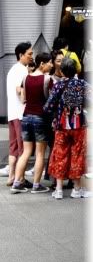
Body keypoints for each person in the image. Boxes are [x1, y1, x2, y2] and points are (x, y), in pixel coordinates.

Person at [44, 58, 90, 199]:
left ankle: (58, 190)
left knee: (60, 154)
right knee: (77, 155)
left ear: (62, 71)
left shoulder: (58, 85)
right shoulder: (82, 84)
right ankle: (76, 189)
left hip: (62, 126)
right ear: (75, 70)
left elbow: (48, 107)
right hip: (79, 125)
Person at [10, 52, 53, 194]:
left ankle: (17, 183)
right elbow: (50, 100)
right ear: (42, 63)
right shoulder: (47, 79)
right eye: (49, 62)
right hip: (40, 117)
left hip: (26, 117)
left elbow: (23, 99)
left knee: (26, 152)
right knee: (40, 153)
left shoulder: (26, 78)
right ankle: (36, 185)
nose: (51, 65)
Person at [4, 41, 33, 186]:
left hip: (12, 113)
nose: (31, 56)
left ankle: (11, 176)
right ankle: (19, 178)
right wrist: (26, 98)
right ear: (21, 55)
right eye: (29, 54)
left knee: (13, 146)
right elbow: (19, 90)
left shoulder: (12, 70)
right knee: (23, 148)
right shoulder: (22, 70)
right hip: (21, 113)